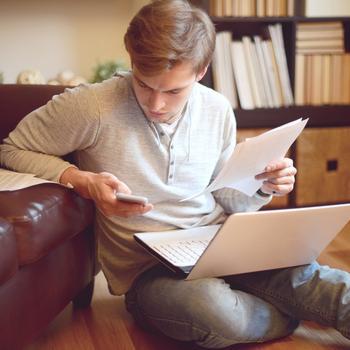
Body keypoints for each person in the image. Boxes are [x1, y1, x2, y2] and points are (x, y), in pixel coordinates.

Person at [1, 0, 349, 348]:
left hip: (220, 242)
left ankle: (292, 300)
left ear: (201, 71)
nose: (156, 104)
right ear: (132, 60)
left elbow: (226, 198)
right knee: (214, 311)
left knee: (320, 280)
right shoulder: (92, 106)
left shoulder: (216, 108)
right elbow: (12, 149)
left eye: (172, 91)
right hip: (150, 272)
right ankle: (290, 312)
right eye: (144, 84)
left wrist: (262, 187)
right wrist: (80, 179)